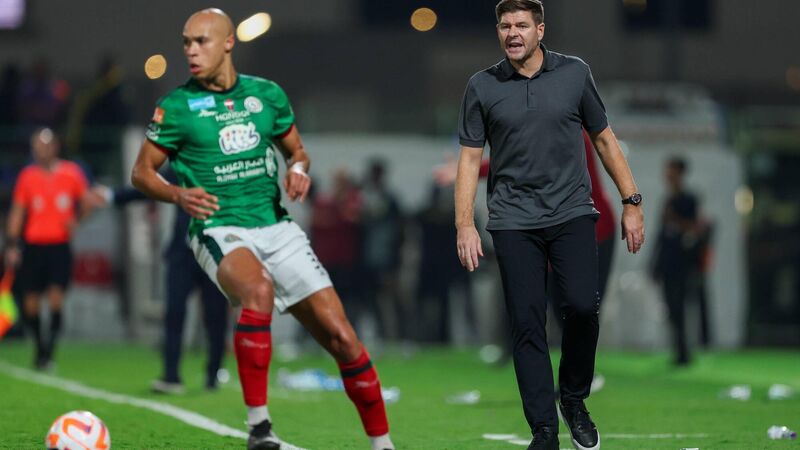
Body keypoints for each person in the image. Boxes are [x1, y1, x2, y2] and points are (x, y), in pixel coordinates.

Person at [130, 9, 393, 450]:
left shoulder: (266, 95)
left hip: (276, 227)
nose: (191, 51)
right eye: (186, 42)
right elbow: (141, 173)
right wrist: (177, 195)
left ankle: (383, 444)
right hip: (218, 228)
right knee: (259, 291)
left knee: (343, 337)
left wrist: (299, 169)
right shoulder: (176, 106)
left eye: (201, 41)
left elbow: (298, 151)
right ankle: (259, 428)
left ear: (228, 43)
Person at [454, 1, 645, 449]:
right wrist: (464, 224)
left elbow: (604, 140)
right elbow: (469, 160)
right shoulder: (481, 86)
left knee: (581, 307)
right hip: (512, 220)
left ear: (540, 30)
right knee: (526, 323)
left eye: (522, 25)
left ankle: (573, 399)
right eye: (505, 25)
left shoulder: (575, 73)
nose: (512, 33)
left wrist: (631, 201)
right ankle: (543, 430)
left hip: (571, 213)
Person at [92, 171, 229, 393]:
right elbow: (150, 186)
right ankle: (171, 375)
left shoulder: (223, 167)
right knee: (174, 313)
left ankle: (213, 374)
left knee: (216, 316)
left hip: (215, 252)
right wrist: (112, 196)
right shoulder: (182, 165)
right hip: (182, 255)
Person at [4, 127, 91, 370]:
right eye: (37, 147)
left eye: (45, 146)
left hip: (59, 246)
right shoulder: (27, 176)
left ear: (55, 147)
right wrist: (12, 244)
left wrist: (77, 220)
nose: (41, 151)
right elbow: (18, 211)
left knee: (55, 299)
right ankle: (40, 346)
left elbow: (87, 200)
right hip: (33, 246)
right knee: (30, 303)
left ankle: (48, 351)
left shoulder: (71, 173)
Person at [651, 156, 706, 365]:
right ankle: (679, 348)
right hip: (667, 262)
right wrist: (654, 263)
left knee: (680, 305)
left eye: (671, 170)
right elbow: (662, 235)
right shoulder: (668, 200)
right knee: (671, 306)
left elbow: (695, 227)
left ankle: (684, 350)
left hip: (683, 263)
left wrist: (676, 220)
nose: (667, 174)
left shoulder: (688, 199)